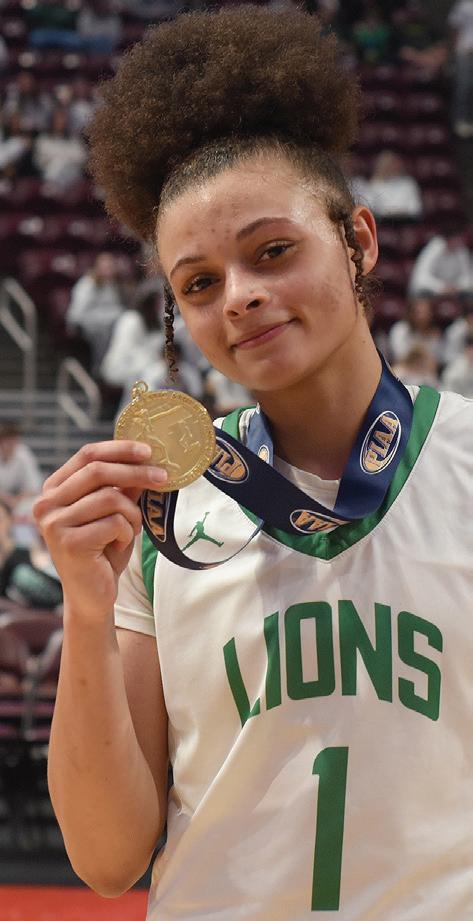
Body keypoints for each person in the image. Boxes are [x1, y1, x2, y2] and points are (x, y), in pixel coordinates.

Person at [34, 6, 473, 920]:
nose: (239, 296)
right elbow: (108, 857)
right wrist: (85, 604)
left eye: (273, 251)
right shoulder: (162, 509)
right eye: (198, 283)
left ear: (357, 240)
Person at [66, 252, 127, 374]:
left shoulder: (112, 285)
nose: (109, 270)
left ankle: (117, 364)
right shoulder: (88, 283)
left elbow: (115, 307)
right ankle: (100, 367)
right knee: (103, 330)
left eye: (111, 267)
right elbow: (78, 311)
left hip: (107, 321)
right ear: (97, 267)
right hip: (83, 321)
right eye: (106, 267)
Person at [361, 150, 423, 221]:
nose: (390, 167)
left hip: (405, 223)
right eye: (386, 164)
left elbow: (415, 209)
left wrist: (396, 213)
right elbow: (368, 209)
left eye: (392, 164)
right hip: (381, 223)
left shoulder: (408, 183)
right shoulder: (372, 185)